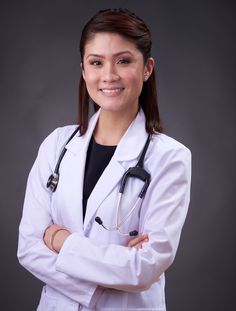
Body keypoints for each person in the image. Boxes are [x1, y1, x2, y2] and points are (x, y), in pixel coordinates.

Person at [17, 8, 191, 311]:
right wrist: (110, 276)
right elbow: (29, 248)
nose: (109, 75)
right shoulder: (57, 144)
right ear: (84, 70)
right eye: (96, 62)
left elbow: (145, 268)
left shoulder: (170, 158)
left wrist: (61, 242)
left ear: (147, 68)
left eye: (123, 61)